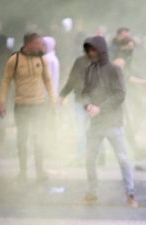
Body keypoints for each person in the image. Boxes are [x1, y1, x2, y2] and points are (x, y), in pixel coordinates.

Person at [81, 36, 137, 208]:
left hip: (113, 123)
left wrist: (100, 108)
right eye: (89, 50)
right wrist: (88, 105)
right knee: (90, 159)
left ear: (101, 50)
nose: (91, 53)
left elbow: (120, 94)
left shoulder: (114, 69)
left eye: (94, 49)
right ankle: (92, 193)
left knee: (122, 159)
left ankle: (130, 194)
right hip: (95, 124)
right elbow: (84, 93)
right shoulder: (89, 69)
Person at [0, 33, 55, 182]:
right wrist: (2, 102)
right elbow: (5, 81)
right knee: (22, 139)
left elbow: (48, 81)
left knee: (39, 139)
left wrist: (53, 100)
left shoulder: (42, 59)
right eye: (38, 43)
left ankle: (39, 171)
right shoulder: (14, 60)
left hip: (38, 105)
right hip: (21, 106)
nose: (41, 46)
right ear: (28, 44)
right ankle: (22, 172)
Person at [59, 50, 91, 164]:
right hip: (83, 100)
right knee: (84, 130)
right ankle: (84, 156)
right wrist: (63, 94)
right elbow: (72, 79)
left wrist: (63, 94)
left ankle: (88, 156)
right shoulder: (80, 61)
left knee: (84, 130)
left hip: (91, 101)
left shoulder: (100, 62)